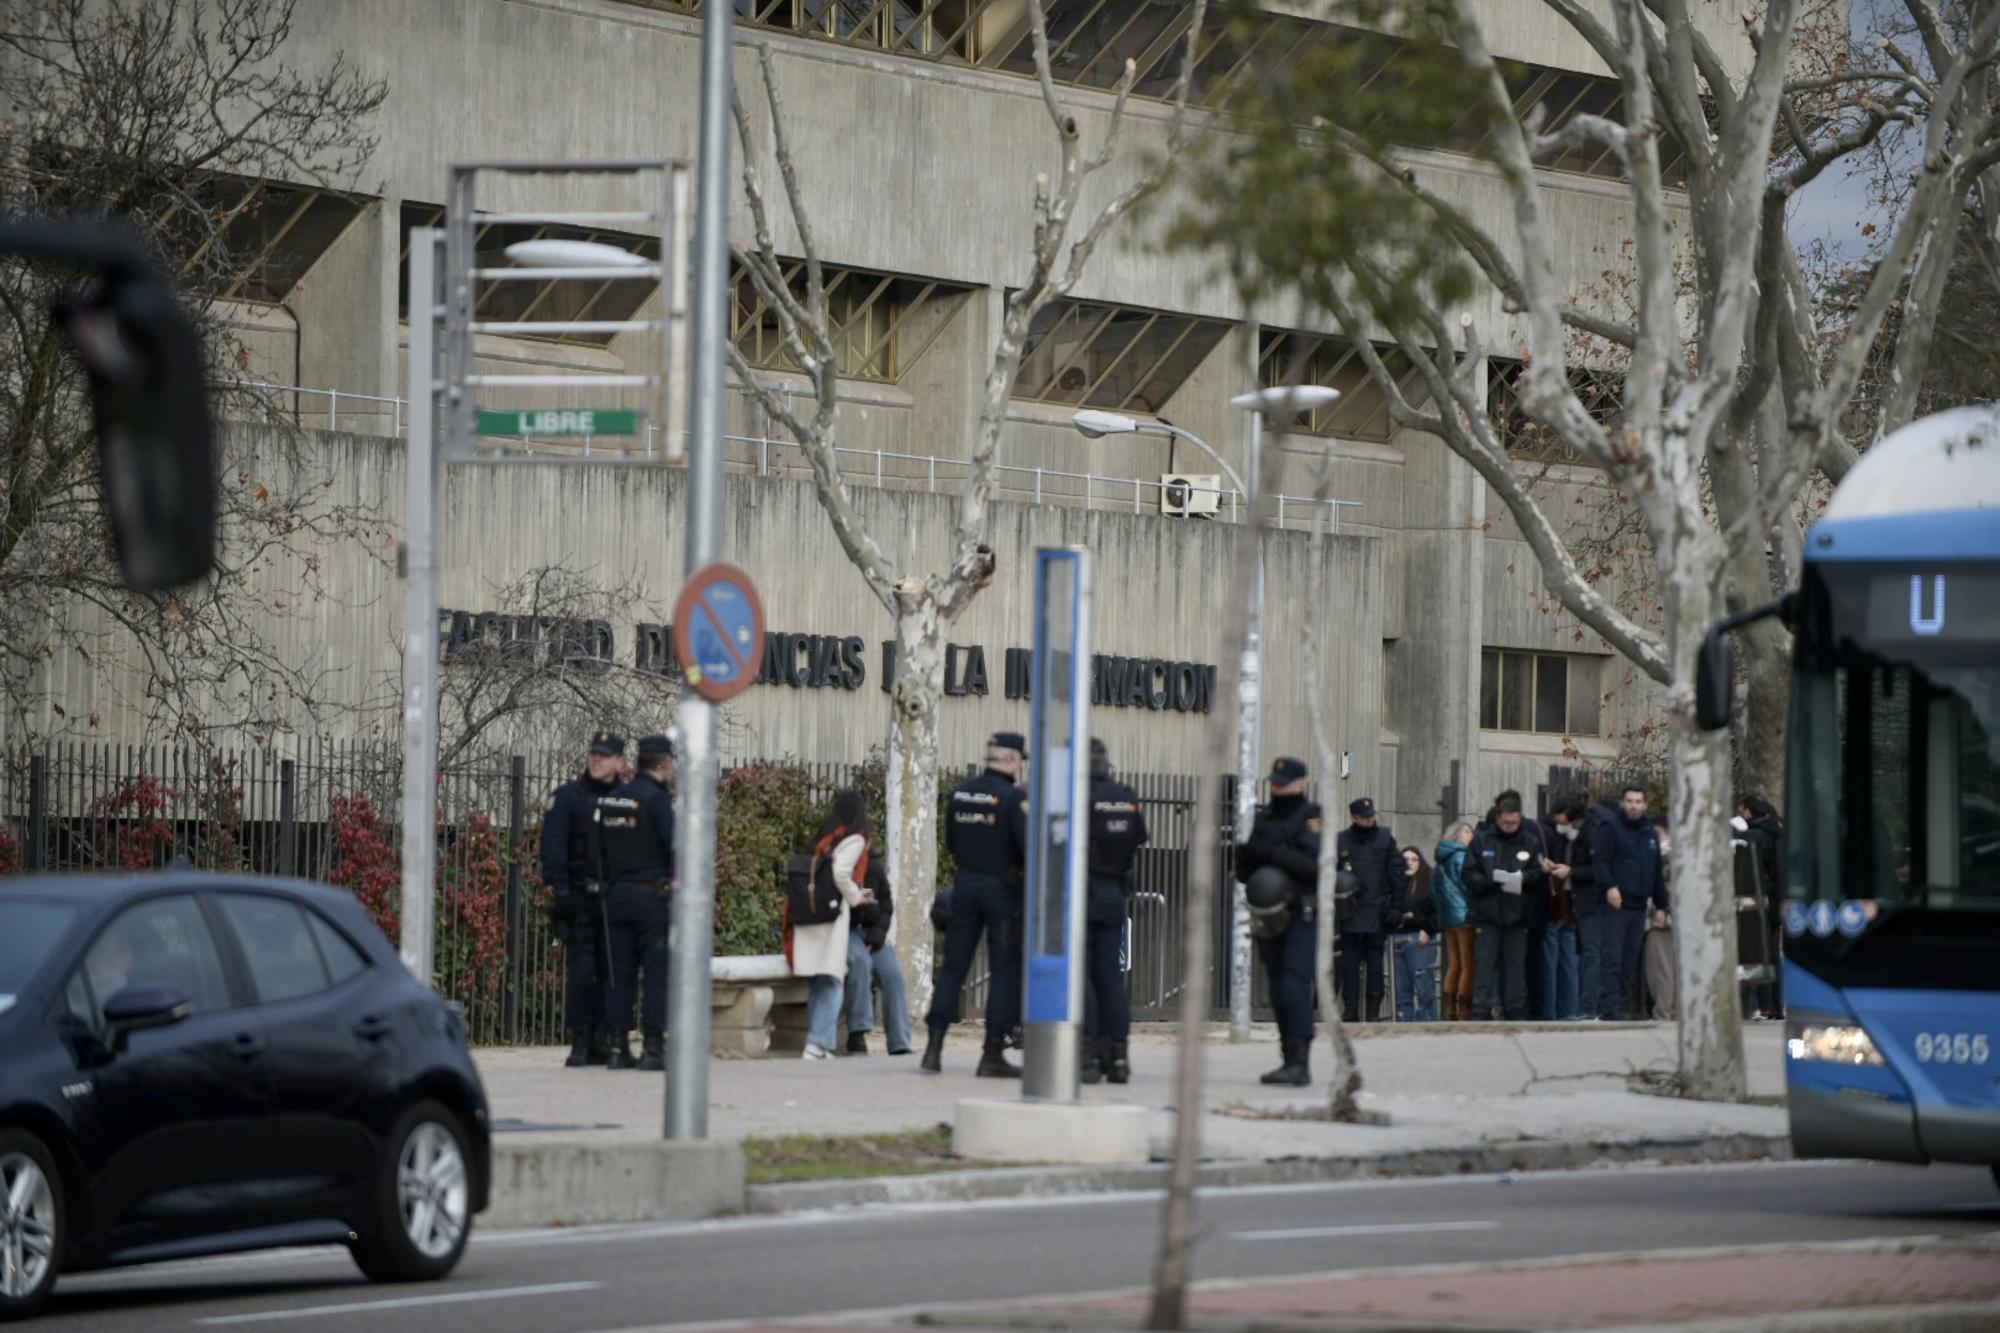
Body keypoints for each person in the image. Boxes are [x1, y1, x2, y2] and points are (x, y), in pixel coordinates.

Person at [922, 732, 1029, 1077]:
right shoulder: (1012, 799)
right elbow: (1025, 847)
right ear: (1011, 759)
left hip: (964, 885)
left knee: (953, 967)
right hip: (1000, 889)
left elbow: (952, 842)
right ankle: (991, 1054)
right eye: (1021, 760)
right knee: (1003, 972)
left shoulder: (962, 792)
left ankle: (933, 1048)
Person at [538, 729, 625, 1068]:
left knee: (613, 972)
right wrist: (561, 892)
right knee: (582, 971)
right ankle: (581, 1038)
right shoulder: (568, 798)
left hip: (615, 898)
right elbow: (553, 849)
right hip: (579, 897)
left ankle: (605, 1037)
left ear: (619, 762)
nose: (596, 761)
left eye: (604, 756)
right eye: (594, 754)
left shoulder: (626, 798)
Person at [1234, 756, 1321, 1086]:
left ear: (1300, 783)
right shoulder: (1266, 816)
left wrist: (1272, 854)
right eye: (1275, 783)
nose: (1278, 788)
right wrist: (1245, 858)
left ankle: (1301, 1061)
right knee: (1277, 988)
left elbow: (1313, 866)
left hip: (1300, 909)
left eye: (1285, 783)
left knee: (1293, 984)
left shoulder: (1311, 816)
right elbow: (1249, 865)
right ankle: (1288, 1058)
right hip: (1269, 913)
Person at [595, 733, 675, 1070]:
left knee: (619, 973)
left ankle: (617, 1047)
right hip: (650, 899)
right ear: (664, 763)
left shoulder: (613, 799)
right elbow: (676, 845)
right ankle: (653, 1048)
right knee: (656, 973)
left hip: (615, 897)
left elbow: (598, 848)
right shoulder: (658, 801)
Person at [1082, 738, 1148, 1084]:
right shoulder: (1127, 797)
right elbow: (1138, 839)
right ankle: (1119, 1056)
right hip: (1113, 892)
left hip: (1081, 891)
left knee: (1083, 975)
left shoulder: (1079, 797)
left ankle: (1089, 1054)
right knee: (1110, 975)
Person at [794, 790, 872, 1060]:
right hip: (831, 915)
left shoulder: (826, 834)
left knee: (819, 979)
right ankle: (817, 1043)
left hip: (810, 911)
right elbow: (840, 873)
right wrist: (855, 895)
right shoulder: (855, 838)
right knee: (833, 978)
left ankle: (821, 1043)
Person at [1464, 795, 1546, 1021]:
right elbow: (1469, 873)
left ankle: (1516, 1010)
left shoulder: (1529, 841)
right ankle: (1481, 1010)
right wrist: (1490, 880)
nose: (1510, 827)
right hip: (1487, 912)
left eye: (1514, 823)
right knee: (1485, 964)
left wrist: (1522, 878)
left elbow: (1537, 873)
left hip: (1517, 913)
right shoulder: (1482, 840)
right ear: (1498, 818)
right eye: (1506, 823)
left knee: (1515, 965)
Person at [1589, 784, 1663, 1021]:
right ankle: (1610, 1007)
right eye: (1629, 801)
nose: (1634, 806)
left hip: (1639, 905)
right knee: (1613, 957)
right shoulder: (1610, 828)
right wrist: (1610, 886)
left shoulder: (1649, 832)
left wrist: (1661, 905)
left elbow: (1656, 869)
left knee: (1629, 958)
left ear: (1645, 805)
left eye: (1638, 801)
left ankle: (1622, 1004)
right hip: (1616, 904)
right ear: (1622, 803)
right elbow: (1600, 861)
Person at [1335, 796, 1403, 1023]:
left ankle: (1373, 1011)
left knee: (1375, 962)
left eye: (1371, 815)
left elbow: (1397, 874)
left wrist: (1396, 907)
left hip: (1377, 910)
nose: (1369, 820)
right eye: (1364, 817)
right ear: (1354, 817)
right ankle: (1351, 1008)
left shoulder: (1385, 838)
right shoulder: (1342, 840)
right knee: (1349, 963)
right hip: (1349, 910)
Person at [843, 854, 913, 1056]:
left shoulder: (874, 867)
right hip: (846, 932)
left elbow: (886, 905)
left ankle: (899, 1042)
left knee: (893, 975)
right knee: (860, 962)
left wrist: (876, 937)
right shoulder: (838, 865)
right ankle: (858, 1033)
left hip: (872, 933)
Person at [1541, 799, 1591, 1021]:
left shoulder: (1547, 832)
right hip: (1571, 907)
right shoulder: (1581, 834)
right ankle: (1569, 1011)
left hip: (1555, 905)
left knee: (1551, 963)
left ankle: (1551, 1014)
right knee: (1570, 963)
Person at [1739, 794, 1786, 1018]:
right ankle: (1776, 1004)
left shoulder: (1754, 836)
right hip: (1778, 901)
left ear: (1748, 811)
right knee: (1774, 954)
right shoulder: (1779, 832)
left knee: (1759, 953)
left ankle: (1763, 1004)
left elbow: (1750, 871)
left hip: (1760, 902)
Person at [1389, 845, 1439, 1022]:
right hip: (1397, 939)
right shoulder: (1395, 883)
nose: (1409, 863)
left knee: (1424, 986)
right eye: (1405, 860)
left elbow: (1439, 910)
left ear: (1420, 862)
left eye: (1414, 859)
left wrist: (1428, 930)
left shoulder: (1428, 882)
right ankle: (1405, 1024)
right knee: (1401, 989)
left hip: (1420, 938)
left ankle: (1428, 1023)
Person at [1433, 822, 1477, 1021]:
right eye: (1467, 831)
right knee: (1469, 964)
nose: (1471, 835)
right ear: (1456, 835)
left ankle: (1448, 1010)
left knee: (1454, 963)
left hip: (1447, 916)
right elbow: (1467, 884)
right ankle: (1464, 1010)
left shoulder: (1441, 859)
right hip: (1464, 914)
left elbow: (1433, 892)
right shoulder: (1461, 856)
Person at [1644, 815, 1676, 1020]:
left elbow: (1662, 888)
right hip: (1676, 919)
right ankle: (1673, 1011)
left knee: (1660, 969)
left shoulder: (1663, 855)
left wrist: (1659, 910)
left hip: (1660, 918)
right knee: (1673, 968)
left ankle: (1663, 1011)